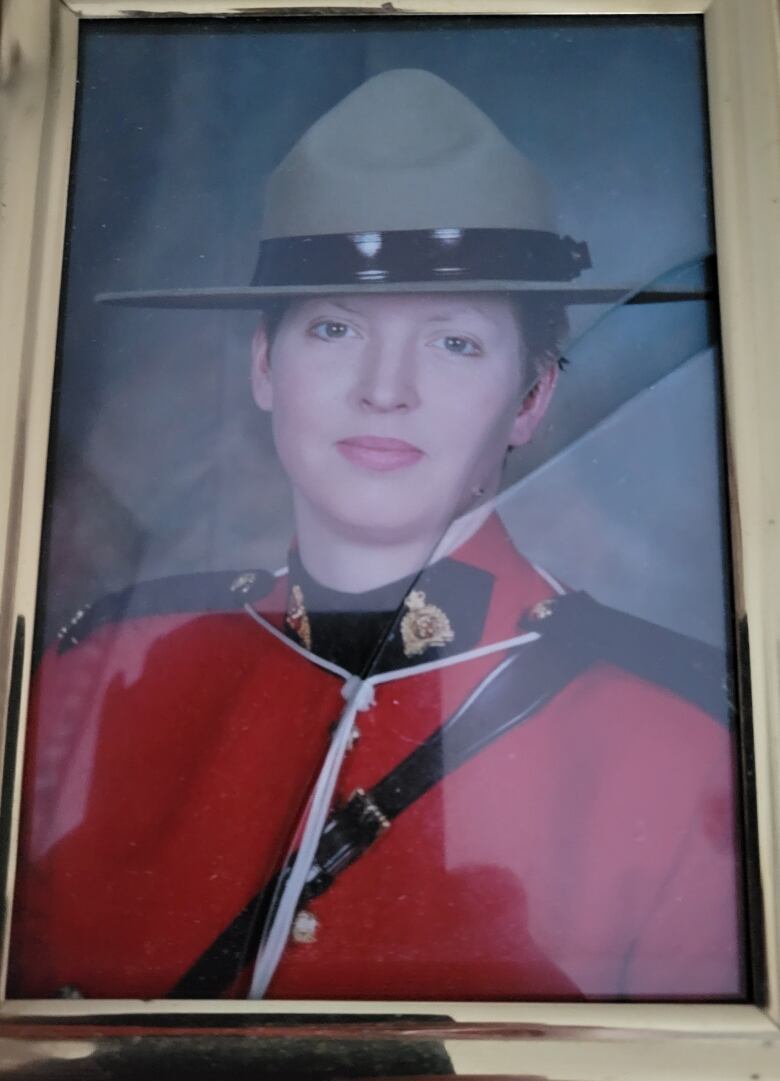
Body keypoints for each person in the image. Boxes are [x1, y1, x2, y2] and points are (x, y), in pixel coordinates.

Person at [9, 69, 740, 1001]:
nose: (384, 388)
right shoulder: (102, 671)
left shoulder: (677, 745)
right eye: (335, 327)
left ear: (532, 397)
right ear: (266, 364)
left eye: (454, 341)